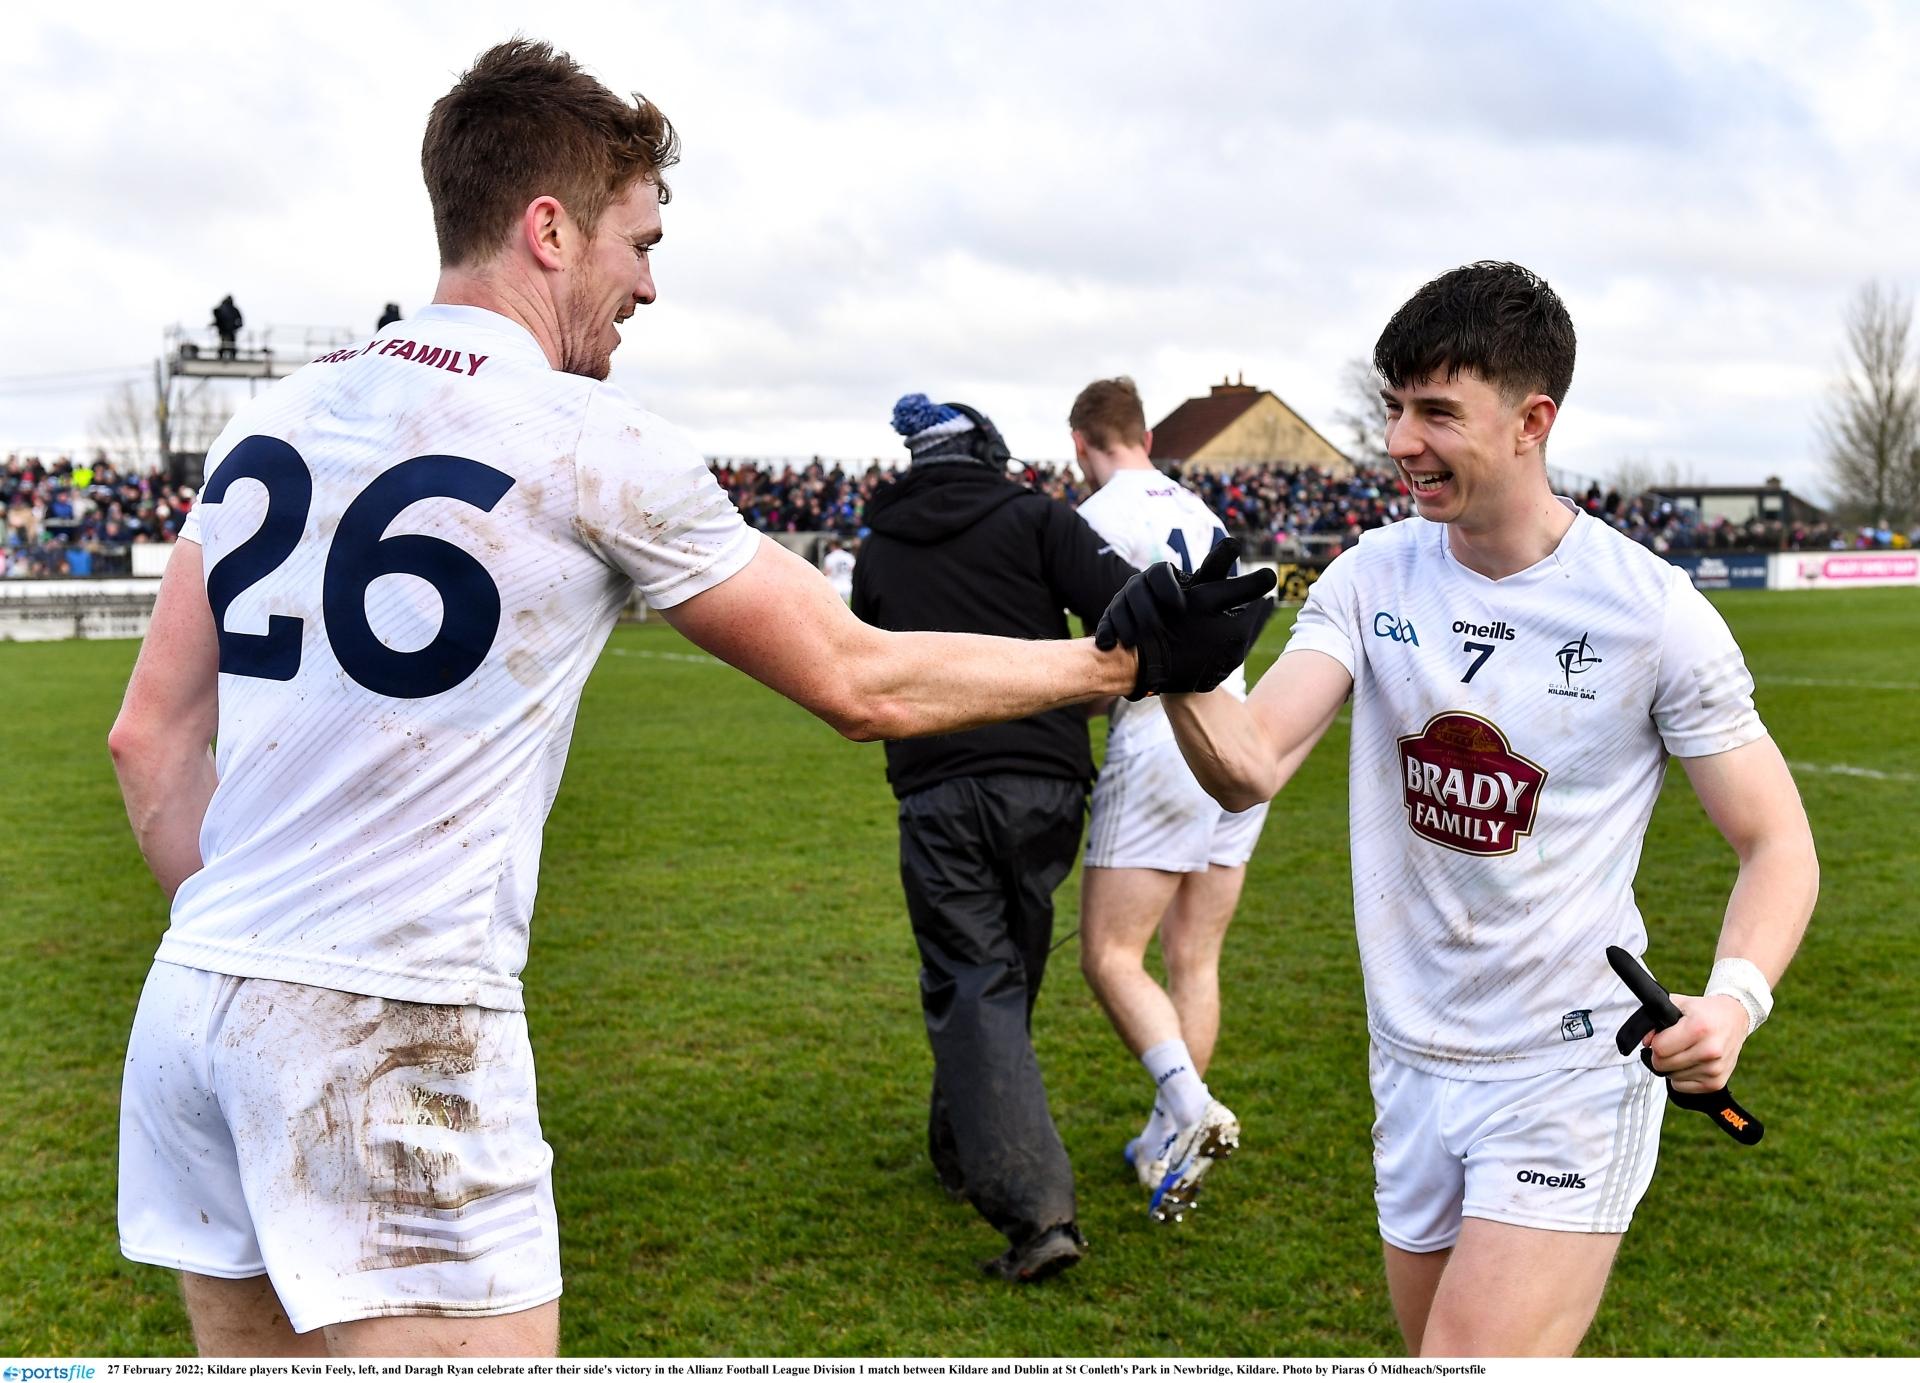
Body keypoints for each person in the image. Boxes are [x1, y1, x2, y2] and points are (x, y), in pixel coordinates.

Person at [106, 40, 1229, 1358]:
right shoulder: (591, 436)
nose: (647, 281)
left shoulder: (273, 420)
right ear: (546, 229)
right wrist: (1114, 664)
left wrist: (258, 941)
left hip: (193, 1009)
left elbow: (148, 738)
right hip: (396, 1021)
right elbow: (860, 675)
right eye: (635, 240)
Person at [1097, 261, 1817, 1356]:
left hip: (1569, 1068)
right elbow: (1251, 767)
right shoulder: (1372, 575)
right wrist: (1181, 669)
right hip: (1411, 1061)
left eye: (1436, 411)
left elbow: (1777, 843)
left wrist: (1736, 1001)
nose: (1399, 441)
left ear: (1533, 421)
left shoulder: (1649, 612)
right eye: (1394, 406)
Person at [849, 394, 1138, 1283]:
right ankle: (972, 1155)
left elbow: (862, 649)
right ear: (989, 451)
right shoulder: (1038, 518)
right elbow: (1123, 609)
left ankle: (1033, 1209)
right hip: (1046, 783)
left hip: (939, 788)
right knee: (998, 970)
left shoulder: (880, 545)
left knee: (978, 977)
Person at [1068, 377, 1266, 1222]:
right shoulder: (1204, 511)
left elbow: (1086, 674)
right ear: (1145, 435)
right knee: (1196, 958)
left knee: (1110, 954)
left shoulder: (1092, 518)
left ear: (1081, 443)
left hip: (1159, 742)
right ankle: (1164, 1149)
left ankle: (1190, 1109)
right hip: (1238, 742)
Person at [211, 295, 243, 360]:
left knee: (227, 344)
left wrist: (235, 327)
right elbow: (218, 317)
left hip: (229, 330)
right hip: (226, 330)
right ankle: (226, 357)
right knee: (226, 344)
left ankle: (228, 357)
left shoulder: (231, 309)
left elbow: (240, 320)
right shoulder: (227, 309)